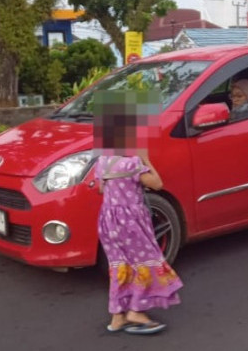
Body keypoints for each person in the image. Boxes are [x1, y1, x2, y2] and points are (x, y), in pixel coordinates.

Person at [93, 90, 183, 335]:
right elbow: (157, 184)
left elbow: (101, 188)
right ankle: (136, 311)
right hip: (131, 222)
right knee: (143, 263)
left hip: (109, 222)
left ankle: (117, 316)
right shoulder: (133, 164)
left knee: (119, 265)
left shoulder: (103, 162)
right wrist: (146, 159)